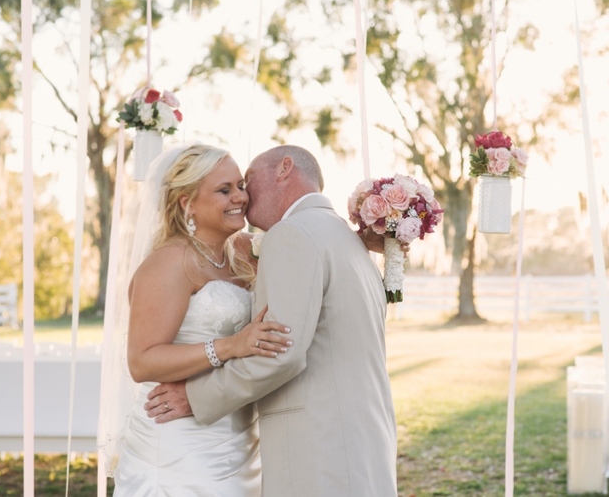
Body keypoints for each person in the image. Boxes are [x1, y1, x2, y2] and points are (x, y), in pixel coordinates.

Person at [145, 145, 398, 497]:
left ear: (284, 169)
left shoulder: (293, 234)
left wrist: (195, 396)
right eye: (228, 189)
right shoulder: (348, 239)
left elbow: (281, 352)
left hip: (318, 446)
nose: (243, 197)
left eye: (246, 181)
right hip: (363, 440)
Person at [105, 144, 294, 496]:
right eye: (224, 190)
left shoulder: (245, 252)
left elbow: (304, 249)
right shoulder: (169, 263)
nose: (241, 196)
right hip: (178, 439)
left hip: (237, 434)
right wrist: (229, 346)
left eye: (240, 185)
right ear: (187, 202)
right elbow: (142, 362)